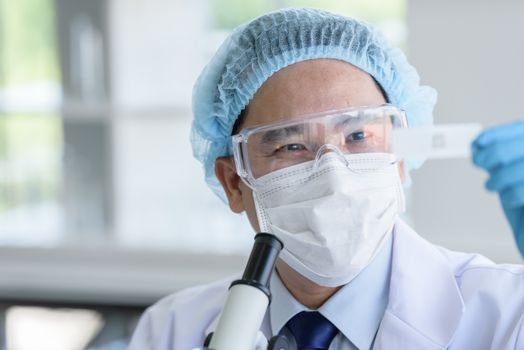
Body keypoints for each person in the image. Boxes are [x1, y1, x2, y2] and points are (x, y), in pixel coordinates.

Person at [129, 8, 524, 350]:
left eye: (357, 137)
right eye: (291, 146)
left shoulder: (508, 314)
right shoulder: (171, 330)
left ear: (398, 160)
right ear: (234, 182)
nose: (333, 174)